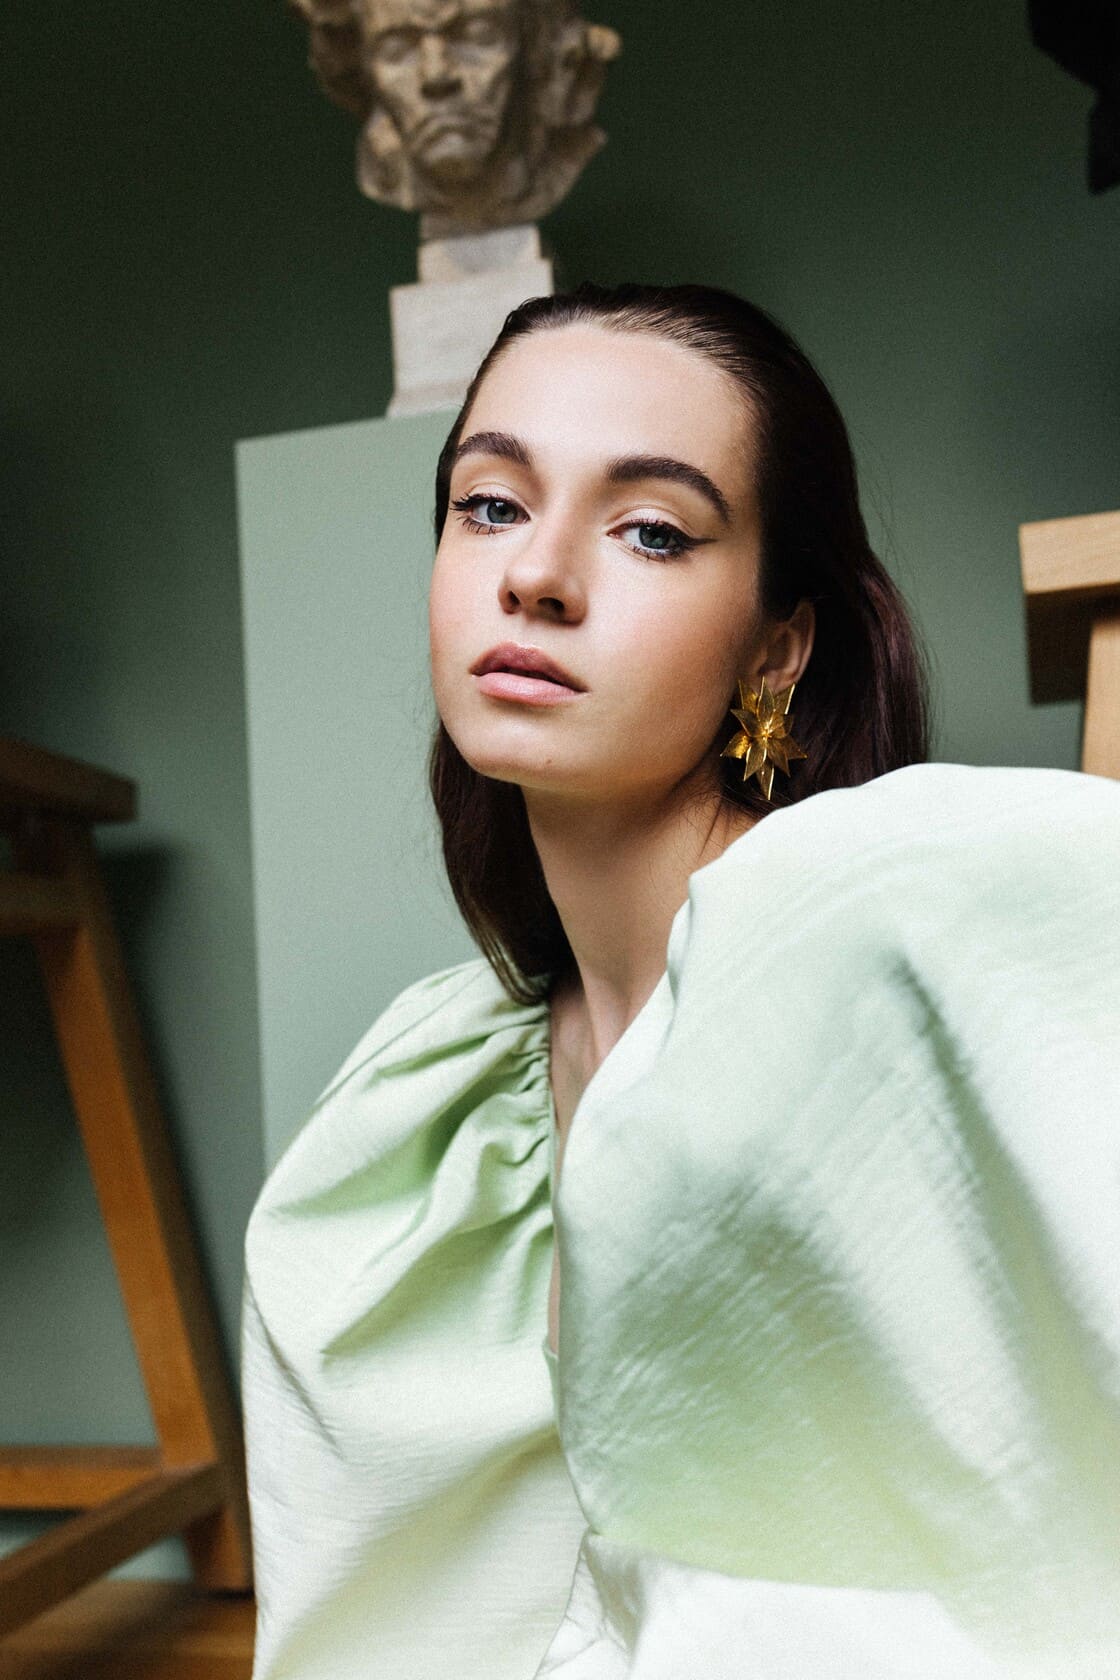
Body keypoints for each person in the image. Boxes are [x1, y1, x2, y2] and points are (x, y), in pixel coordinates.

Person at [240, 281, 1120, 1679]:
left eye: (651, 528)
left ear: (777, 648)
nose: (537, 574)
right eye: (490, 505)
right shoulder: (431, 1098)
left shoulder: (893, 925)